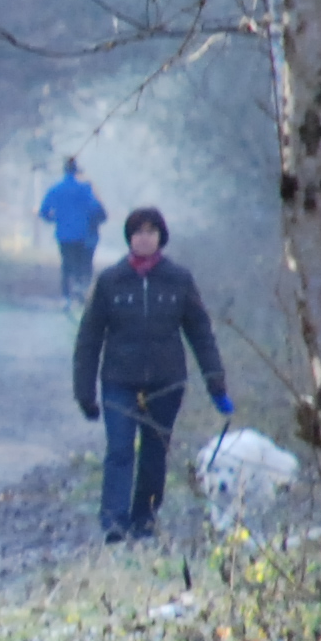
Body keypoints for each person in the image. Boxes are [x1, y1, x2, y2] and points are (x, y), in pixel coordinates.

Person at [72, 204, 230, 543]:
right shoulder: (111, 281)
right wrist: (83, 390)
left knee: (155, 453)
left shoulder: (179, 280)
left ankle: (145, 520)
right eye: (138, 232)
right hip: (119, 380)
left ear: (161, 237)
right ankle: (114, 522)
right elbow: (89, 338)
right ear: (129, 238)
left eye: (151, 231)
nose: (144, 238)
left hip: (166, 382)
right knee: (119, 449)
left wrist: (215, 379)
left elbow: (200, 331)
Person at [39, 156, 106, 306]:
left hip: (63, 234)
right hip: (83, 234)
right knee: (83, 263)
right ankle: (80, 292)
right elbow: (94, 208)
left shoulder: (55, 189)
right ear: (77, 170)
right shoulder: (85, 189)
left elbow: (43, 211)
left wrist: (55, 219)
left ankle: (66, 297)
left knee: (66, 264)